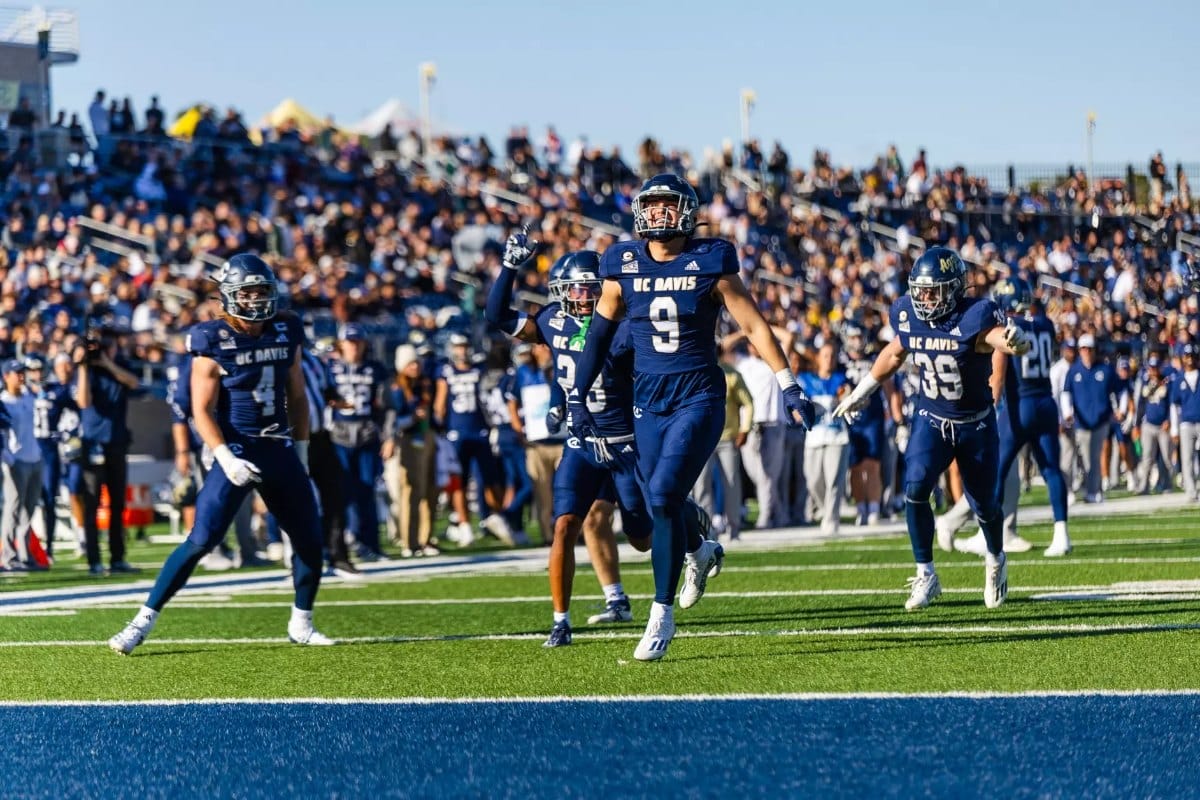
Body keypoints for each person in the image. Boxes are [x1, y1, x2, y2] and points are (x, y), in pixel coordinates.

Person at [568, 173, 814, 660]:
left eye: (667, 205)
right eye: (651, 205)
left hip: (698, 395)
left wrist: (789, 383)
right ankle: (700, 548)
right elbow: (597, 336)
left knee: (663, 494)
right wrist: (578, 395)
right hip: (647, 399)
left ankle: (660, 612)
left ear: (686, 212)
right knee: (657, 498)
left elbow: (754, 325)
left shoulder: (711, 260)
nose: (658, 213)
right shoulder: (620, 263)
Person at [109, 254, 330, 655]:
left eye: (262, 291)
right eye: (248, 292)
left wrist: (301, 449)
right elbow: (201, 409)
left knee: (310, 540)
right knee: (202, 539)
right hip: (238, 447)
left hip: (277, 444)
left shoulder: (286, 329)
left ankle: (302, 622)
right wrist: (224, 456)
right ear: (230, 296)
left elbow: (297, 396)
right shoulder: (211, 338)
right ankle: (142, 620)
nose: (257, 299)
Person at [833, 246, 1032, 611]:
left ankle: (995, 558)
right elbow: (895, 352)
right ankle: (925, 573)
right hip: (931, 418)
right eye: (920, 290)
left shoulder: (975, 314)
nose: (923, 298)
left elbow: (996, 338)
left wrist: (1015, 342)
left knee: (985, 505)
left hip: (974, 423)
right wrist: (864, 390)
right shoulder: (908, 313)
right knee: (915, 488)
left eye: (932, 291)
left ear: (954, 289)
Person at [486, 240, 656, 648]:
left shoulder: (623, 325)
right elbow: (497, 316)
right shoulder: (552, 320)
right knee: (564, 525)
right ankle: (560, 621)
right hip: (581, 444)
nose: (579, 297)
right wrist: (509, 267)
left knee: (641, 537)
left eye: (587, 288)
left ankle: (686, 522)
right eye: (573, 290)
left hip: (625, 443)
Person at [941, 277, 1071, 557]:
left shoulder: (1008, 327)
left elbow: (998, 374)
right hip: (1045, 401)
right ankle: (1062, 534)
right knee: (1051, 470)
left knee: (994, 471)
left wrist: (989, 405)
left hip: (1019, 406)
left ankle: (984, 533)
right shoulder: (1045, 324)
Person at [74, 324, 141, 575]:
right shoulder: (88, 370)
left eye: (110, 345)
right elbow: (83, 401)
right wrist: (83, 366)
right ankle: (94, 560)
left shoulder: (120, 366)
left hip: (117, 442)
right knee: (92, 503)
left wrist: (108, 363)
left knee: (117, 503)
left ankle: (117, 558)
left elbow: (134, 383)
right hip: (93, 445)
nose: (106, 349)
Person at [433, 334, 511, 545]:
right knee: (459, 482)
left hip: (480, 431)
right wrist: (440, 429)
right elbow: (440, 404)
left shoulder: (480, 370)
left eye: (465, 346)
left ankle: (496, 516)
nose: (462, 351)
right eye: (458, 347)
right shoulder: (446, 371)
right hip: (456, 433)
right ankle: (464, 524)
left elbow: (489, 399)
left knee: (491, 479)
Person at [327, 323, 389, 561]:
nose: (354, 346)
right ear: (341, 344)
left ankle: (370, 544)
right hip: (338, 435)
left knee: (366, 491)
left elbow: (387, 406)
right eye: (350, 342)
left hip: (366, 434)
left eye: (358, 342)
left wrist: (388, 437)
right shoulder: (330, 368)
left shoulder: (375, 369)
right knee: (341, 492)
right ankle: (344, 541)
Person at [692, 342, 754, 540]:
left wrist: (745, 429)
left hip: (727, 438)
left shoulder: (732, 375)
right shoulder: (694, 373)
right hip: (702, 438)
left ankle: (734, 527)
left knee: (731, 481)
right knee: (701, 484)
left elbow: (748, 403)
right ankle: (706, 529)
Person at [382, 344, 437, 557]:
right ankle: (409, 541)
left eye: (417, 362)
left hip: (425, 437)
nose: (415, 366)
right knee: (411, 491)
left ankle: (425, 538)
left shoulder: (423, 384)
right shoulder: (395, 388)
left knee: (428, 489)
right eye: (410, 363)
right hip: (408, 440)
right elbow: (393, 420)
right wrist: (413, 418)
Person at [26, 353, 75, 559]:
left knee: (49, 499)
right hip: (26, 451)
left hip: (48, 451)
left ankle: (49, 548)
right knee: (23, 502)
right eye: (32, 370)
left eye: (39, 369)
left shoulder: (57, 391)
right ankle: (22, 547)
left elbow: (77, 413)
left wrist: (67, 433)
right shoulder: (20, 393)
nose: (37, 374)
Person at [799, 343, 850, 537]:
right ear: (818, 358)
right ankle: (825, 510)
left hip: (837, 437)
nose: (829, 359)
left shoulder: (841, 379)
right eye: (825, 355)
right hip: (814, 437)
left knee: (833, 481)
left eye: (832, 355)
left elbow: (849, 395)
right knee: (813, 481)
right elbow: (798, 409)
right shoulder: (806, 380)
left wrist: (846, 396)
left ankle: (831, 520)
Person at [1062, 334, 1119, 504]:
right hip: (1081, 422)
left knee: (1095, 457)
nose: (1087, 352)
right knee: (1084, 459)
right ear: (1080, 351)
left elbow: (1117, 390)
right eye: (1084, 349)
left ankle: (1093, 490)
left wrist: (1119, 409)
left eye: (1090, 349)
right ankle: (1088, 489)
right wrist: (1067, 412)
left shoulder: (1105, 369)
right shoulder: (1074, 371)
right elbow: (1066, 393)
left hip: (1101, 420)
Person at [0, 359, 40, 570]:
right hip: (16, 459)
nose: (21, 376)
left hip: (35, 457)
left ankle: (25, 554)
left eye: (22, 372)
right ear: (6, 376)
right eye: (17, 373)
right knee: (13, 508)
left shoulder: (29, 396)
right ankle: (8, 555)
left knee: (29, 510)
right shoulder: (4, 401)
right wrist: (6, 455)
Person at [1132, 355, 1174, 495]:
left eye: (1155, 368)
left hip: (1163, 425)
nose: (1153, 370)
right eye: (1151, 368)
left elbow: (1171, 403)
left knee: (1167, 457)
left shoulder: (1166, 382)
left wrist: (1168, 419)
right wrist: (1136, 425)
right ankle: (1144, 486)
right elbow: (1140, 405)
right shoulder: (1145, 383)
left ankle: (1167, 484)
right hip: (1148, 425)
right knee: (1147, 457)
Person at [1170, 343, 1200, 502]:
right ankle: (1191, 490)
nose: (1190, 359)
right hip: (1186, 423)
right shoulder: (1178, 379)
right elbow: (1174, 405)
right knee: (1187, 458)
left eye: (1192, 356)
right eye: (1187, 356)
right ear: (1183, 358)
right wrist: (1174, 428)